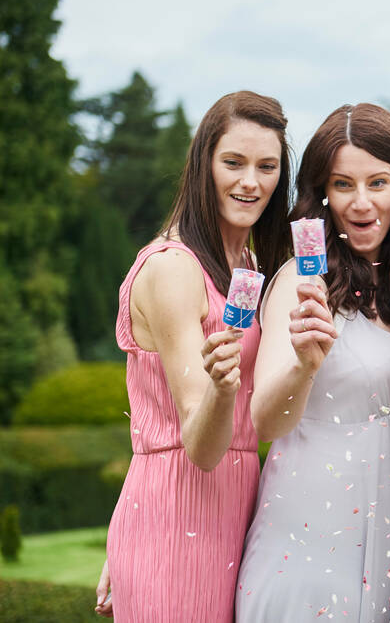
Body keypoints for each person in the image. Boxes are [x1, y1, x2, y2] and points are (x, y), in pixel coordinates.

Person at [234, 103, 390, 621]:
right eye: (343, 184)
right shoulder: (301, 283)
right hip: (318, 524)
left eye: (378, 182)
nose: (361, 202)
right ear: (322, 193)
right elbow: (266, 423)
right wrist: (304, 365)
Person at [94, 91, 292, 621]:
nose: (251, 181)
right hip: (176, 513)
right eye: (234, 162)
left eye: (266, 166)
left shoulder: (250, 265)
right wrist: (224, 388)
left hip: (239, 508)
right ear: (203, 164)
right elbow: (197, 447)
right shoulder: (172, 269)